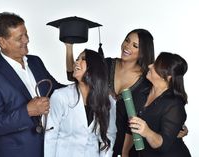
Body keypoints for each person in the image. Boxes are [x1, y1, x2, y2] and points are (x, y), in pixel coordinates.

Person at [65, 29, 188, 157]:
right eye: (127, 41)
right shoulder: (106, 65)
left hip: (127, 143)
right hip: (99, 134)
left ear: (143, 52)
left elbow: (161, 107)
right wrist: (69, 46)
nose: (127, 46)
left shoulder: (146, 80)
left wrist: (177, 128)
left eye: (135, 45)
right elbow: (75, 75)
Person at [0, 12, 65, 157]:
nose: (26, 40)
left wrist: (85, 85)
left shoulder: (35, 62)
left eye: (26, 34)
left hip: (48, 149)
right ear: (2, 42)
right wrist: (28, 111)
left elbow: (55, 89)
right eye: (19, 38)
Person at [44, 49, 117, 157]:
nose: (77, 62)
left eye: (83, 59)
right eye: (77, 59)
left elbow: (108, 138)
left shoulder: (108, 101)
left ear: (94, 67)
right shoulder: (60, 96)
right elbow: (50, 136)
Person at [127, 52, 191, 157]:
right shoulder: (142, 89)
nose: (150, 66)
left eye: (156, 65)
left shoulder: (174, 105)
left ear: (167, 77)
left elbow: (163, 146)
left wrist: (147, 132)